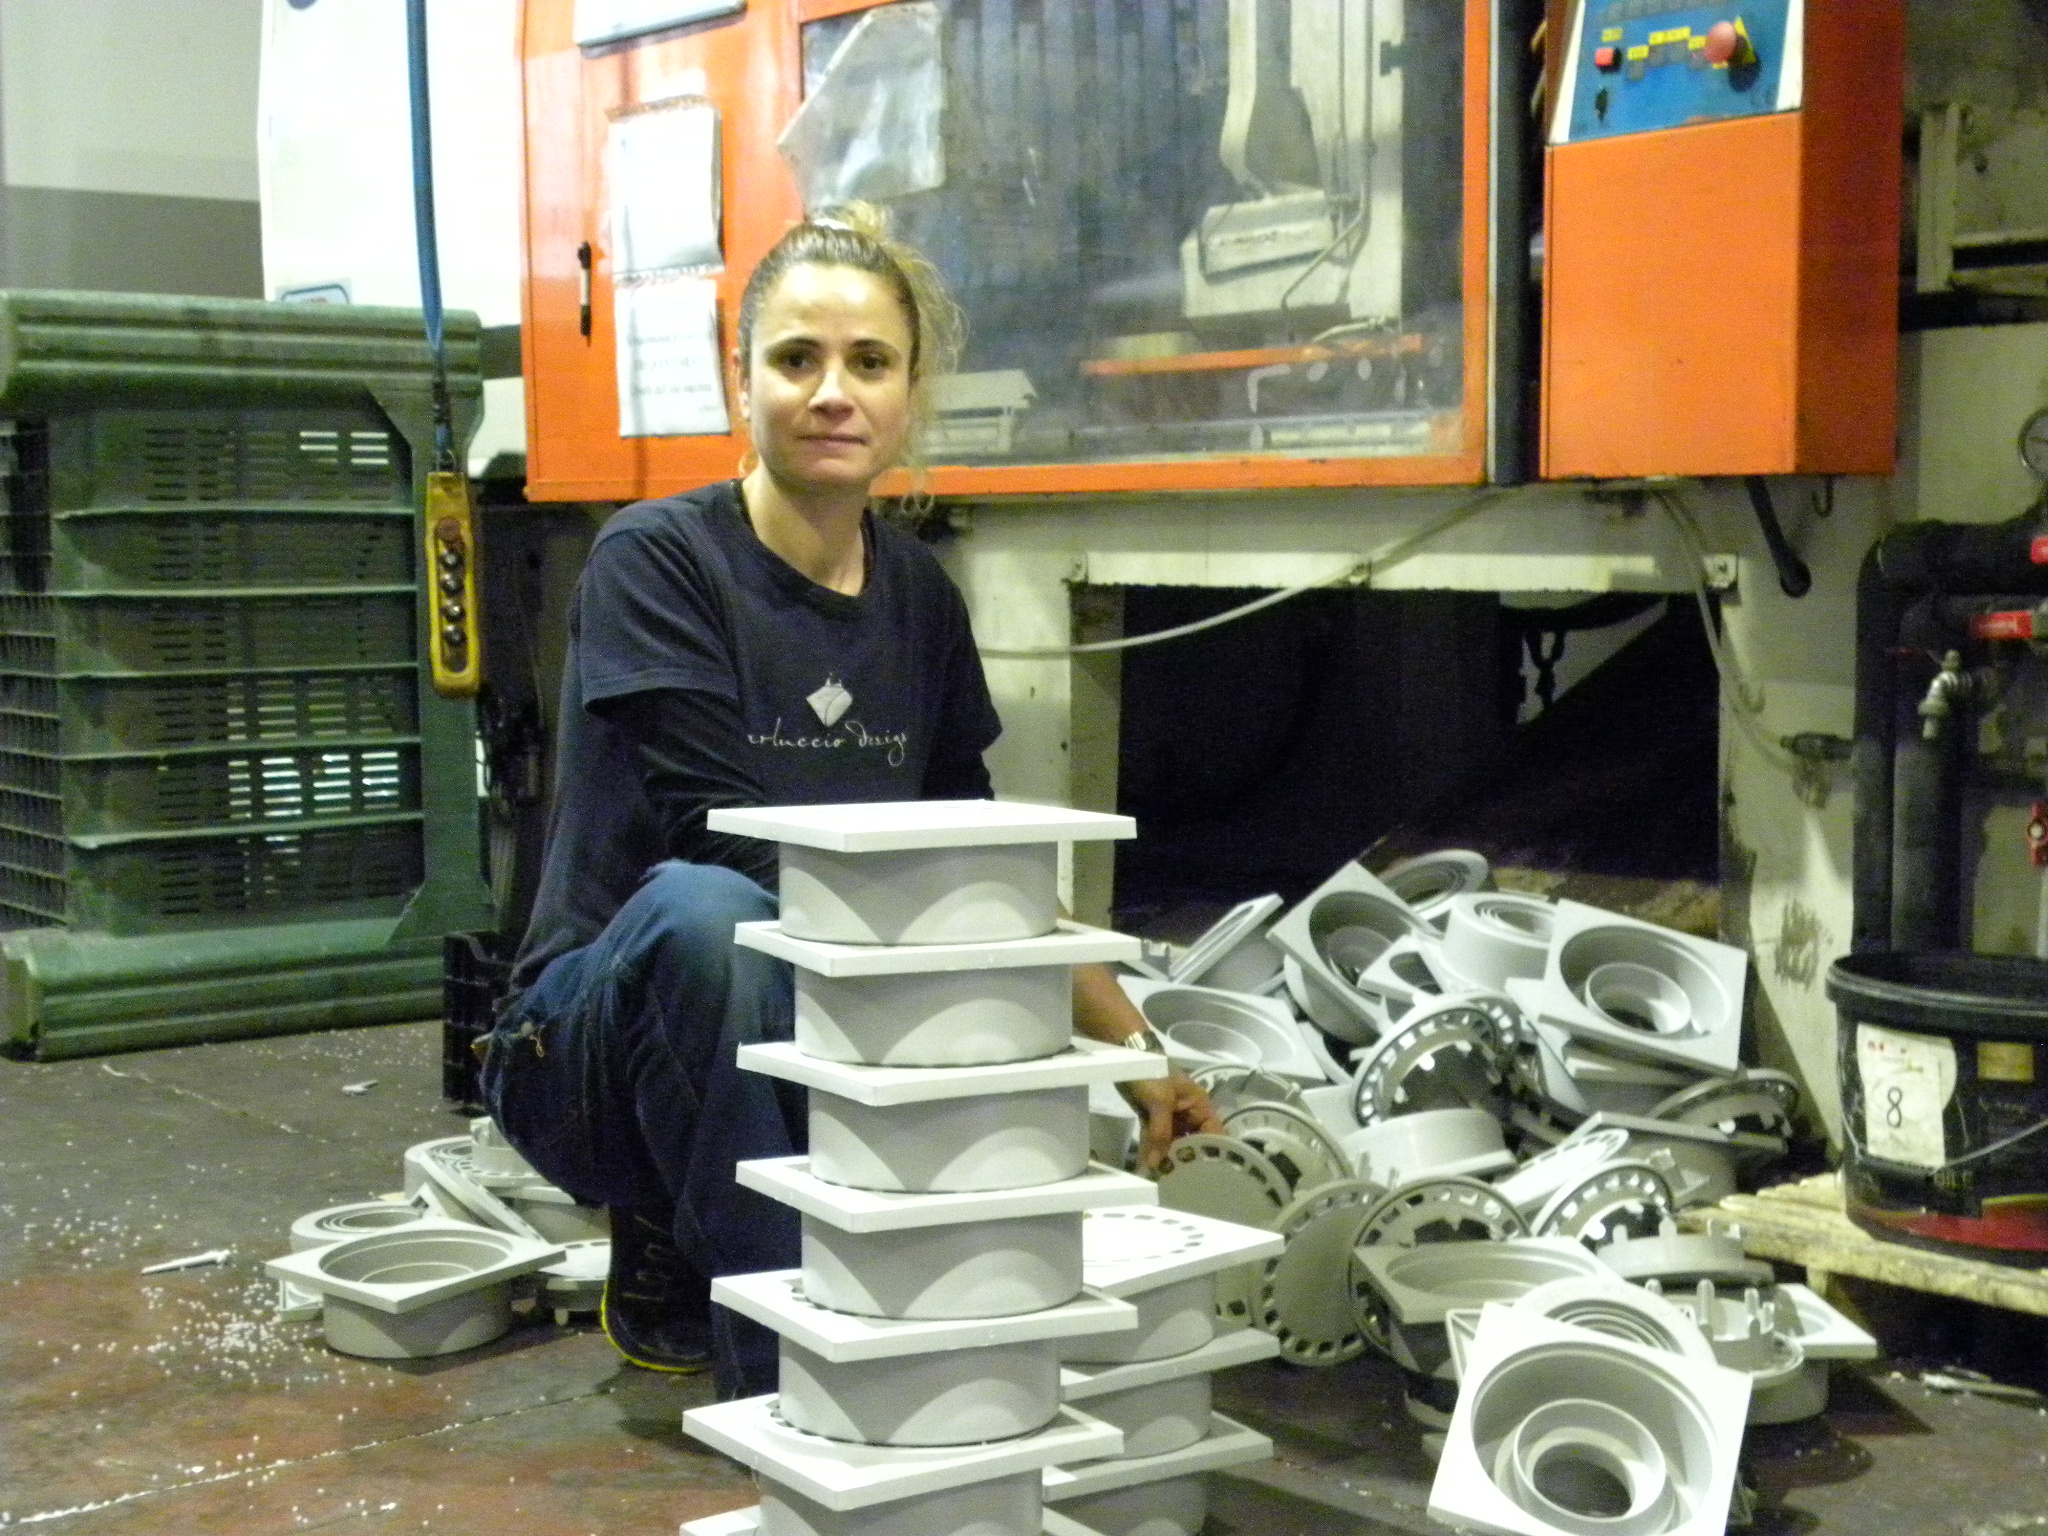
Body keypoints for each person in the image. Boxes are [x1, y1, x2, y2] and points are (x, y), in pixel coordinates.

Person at [482, 204, 1222, 1400]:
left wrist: (1134, 1052)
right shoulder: (655, 562)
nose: (833, 393)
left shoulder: (918, 598)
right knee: (713, 915)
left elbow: (978, 865)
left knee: (916, 982)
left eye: (869, 362)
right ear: (741, 383)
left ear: (909, 394)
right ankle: (791, 1388)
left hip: (800, 1027)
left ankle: (779, 1262)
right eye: (796, 359)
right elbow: (723, 839)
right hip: (585, 1056)